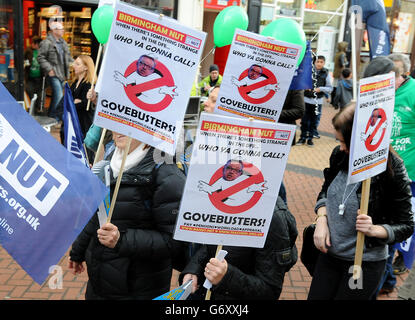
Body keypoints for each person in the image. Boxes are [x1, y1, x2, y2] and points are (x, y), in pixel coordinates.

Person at [307, 103, 414, 300]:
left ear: (363, 138)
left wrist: (375, 230)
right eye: (339, 141)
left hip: (363, 264)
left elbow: (406, 225)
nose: (341, 148)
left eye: (345, 142)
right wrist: (322, 219)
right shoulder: (339, 156)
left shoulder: (393, 170)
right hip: (329, 257)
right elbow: (325, 191)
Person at [68, 132, 187, 299]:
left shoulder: (167, 175)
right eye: (117, 123)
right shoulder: (109, 160)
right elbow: (98, 211)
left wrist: (121, 240)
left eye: (128, 124)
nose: (119, 130)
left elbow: (174, 242)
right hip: (99, 282)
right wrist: (78, 250)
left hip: (138, 289)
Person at [179, 195, 298, 300]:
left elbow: (270, 291)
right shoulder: (220, 198)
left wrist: (227, 277)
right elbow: (212, 245)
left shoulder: (272, 216)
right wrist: (194, 269)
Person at [60, 55, 96, 162]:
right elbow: (66, 100)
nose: (73, 66)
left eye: (77, 64)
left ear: (86, 67)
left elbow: (86, 105)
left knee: (84, 155)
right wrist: (75, 102)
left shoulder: (89, 85)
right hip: (73, 122)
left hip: (83, 125)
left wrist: (75, 103)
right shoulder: (74, 83)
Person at [38, 21, 73, 122]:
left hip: (62, 74)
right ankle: (54, 117)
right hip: (53, 73)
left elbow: (68, 57)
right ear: (54, 30)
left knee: (57, 96)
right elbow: (40, 57)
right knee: (58, 94)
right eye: (60, 29)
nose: (63, 31)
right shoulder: (46, 42)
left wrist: (76, 63)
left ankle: (52, 115)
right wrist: (49, 69)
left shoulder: (63, 43)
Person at [297, 55, 332, 146]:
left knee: (313, 122)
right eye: (317, 62)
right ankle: (302, 138)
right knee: (304, 121)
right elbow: (300, 81)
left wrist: (320, 89)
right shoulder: (308, 71)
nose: (319, 64)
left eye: (321, 62)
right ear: (314, 62)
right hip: (306, 100)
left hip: (317, 101)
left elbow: (330, 88)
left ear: (324, 63)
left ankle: (310, 139)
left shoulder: (326, 73)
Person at [24, 35, 42, 113]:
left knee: (39, 93)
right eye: (34, 44)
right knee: (30, 91)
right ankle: (33, 108)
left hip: (39, 77)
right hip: (30, 76)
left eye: (36, 44)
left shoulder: (42, 51)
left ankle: (37, 108)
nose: (34, 45)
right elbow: (23, 59)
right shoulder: (28, 50)